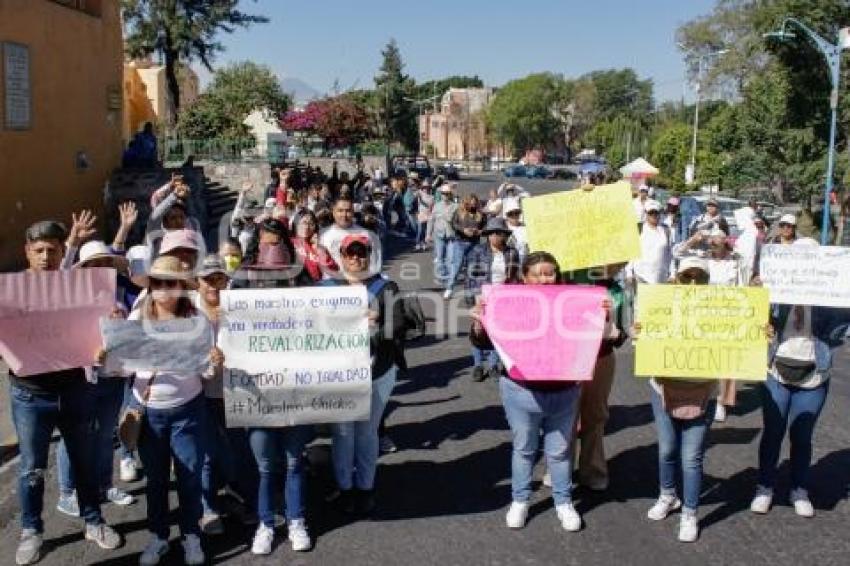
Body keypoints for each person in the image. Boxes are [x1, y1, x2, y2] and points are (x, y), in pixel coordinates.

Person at [9, 221, 122, 566]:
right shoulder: (9, 293)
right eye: (38, 250)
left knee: (84, 460)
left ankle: (93, 521)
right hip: (30, 394)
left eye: (52, 250)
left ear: (62, 252)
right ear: (27, 252)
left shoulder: (80, 287)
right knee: (31, 469)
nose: (45, 256)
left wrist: (109, 327)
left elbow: (102, 325)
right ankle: (32, 531)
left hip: (75, 388)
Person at [473, 252, 603, 532]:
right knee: (524, 448)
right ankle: (520, 500)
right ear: (524, 277)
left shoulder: (573, 303)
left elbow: (603, 340)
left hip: (564, 390)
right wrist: (480, 319)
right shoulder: (509, 303)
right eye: (538, 274)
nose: (545, 279)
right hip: (521, 391)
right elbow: (483, 341)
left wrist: (605, 314)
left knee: (559, 451)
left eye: (550, 273)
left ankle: (563, 501)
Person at [123, 255, 218, 565]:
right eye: (158, 282)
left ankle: (191, 534)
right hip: (148, 411)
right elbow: (120, 369)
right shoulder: (136, 319)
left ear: (181, 287)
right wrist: (105, 354)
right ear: (150, 287)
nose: (164, 289)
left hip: (187, 410)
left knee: (190, 477)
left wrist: (214, 363)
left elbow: (204, 372)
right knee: (156, 480)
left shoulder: (197, 321)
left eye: (172, 283)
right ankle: (159, 536)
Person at [750, 238, 850, 518]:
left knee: (802, 435)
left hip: (814, 375)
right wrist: (756, 292)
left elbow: (843, 326)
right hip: (776, 370)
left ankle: (799, 488)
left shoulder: (830, 299)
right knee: (773, 432)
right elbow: (750, 315)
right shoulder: (776, 293)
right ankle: (764, 487)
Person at [320, 235, 405, 515]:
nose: (356, 259)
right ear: (341, 256)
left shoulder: (386, 287)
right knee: (343, 433)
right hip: (339, 375)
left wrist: (376, 325)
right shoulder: (326, 287)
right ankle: (345, 487)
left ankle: (365, 487)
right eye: (350, 253)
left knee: (367, 432)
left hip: (376, 371)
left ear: (370, 255)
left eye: (362, 253)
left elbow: (397, 328)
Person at [636, 257, 718, 543]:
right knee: (667, 450)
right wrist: (640, 332)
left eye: (699, 277)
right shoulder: (661, 306)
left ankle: (690, 513)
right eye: (687, 277)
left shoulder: (722, 310)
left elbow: (740, 341)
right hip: (664, 389)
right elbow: (643, 340)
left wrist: (760, 335)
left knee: (691, 458)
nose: (693, 283)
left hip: (703, 391)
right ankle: (668, 495)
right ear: (677, 279)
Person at [55, 242, 137, 518]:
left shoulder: (122, 292)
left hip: (113, 377)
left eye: (105, 262)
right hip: (82, 379)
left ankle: (104, 485)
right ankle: (67, 493)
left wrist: (121, 320)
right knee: (74, 438)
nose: (100, 268)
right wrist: (71, 243)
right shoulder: (70, 297)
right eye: (94, 264)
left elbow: (135, 331)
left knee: (105, 435)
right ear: (85, 269)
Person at [194, 255, 259, 536]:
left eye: (219, 278)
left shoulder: (240, 307)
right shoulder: (188, 312)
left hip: (236, 392)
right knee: (206, 454)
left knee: (241, 452)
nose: (213, 285)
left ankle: (247, 500)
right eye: (207, 279)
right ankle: (208, 508)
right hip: (198, 395)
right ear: (197, 282)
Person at [674, 227, 748, 422]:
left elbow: (742, 286)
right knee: (706, 358)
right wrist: (693, 240)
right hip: (702, 315)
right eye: (711, 241)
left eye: (717, 240)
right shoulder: (702, 257)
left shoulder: (736, 262)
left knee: (725, 361)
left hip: (726, 316)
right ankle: (705, 397)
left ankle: (721, 402)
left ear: (725, 242)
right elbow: (677, 253)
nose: (713, 244)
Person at [567, 262, 628, 492]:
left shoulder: (616, 291)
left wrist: (615, 332)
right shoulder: (564, 283)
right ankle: (560, 470)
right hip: (567, 358)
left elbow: (621, 333)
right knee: (565, 417)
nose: (610, 268)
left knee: (595, 416)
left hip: (600, 358)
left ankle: (593, 471)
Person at [465, 217, 521, 381]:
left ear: (505, 235)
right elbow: (471, 277)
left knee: (498, 331)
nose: (496, 236)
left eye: (500, 233)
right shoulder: (477, 251)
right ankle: (477, 365)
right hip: (481, 295)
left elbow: (516, 277)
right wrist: (475, 299)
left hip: (503, 297)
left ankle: (494, 364)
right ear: (487, 235)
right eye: (492, 233)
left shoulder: (512, 252)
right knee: (478, 330)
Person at [319, 196, 383, 277]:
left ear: (353, 212)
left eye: (348, 211)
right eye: (340, 211)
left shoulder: (366, 235)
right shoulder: (323, 236)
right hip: (330, 284)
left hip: (358, 284)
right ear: (333, 212)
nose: (344, 215)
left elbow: (374, 266)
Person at [445, 194, 485, 300]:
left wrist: (479, 231)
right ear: (466, 203)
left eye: (475, 203)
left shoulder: (481, 214)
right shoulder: (459, 212)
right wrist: (463, 230)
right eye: (471, 203)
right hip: (460, 242)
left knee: (471, 268)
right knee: (457, 266)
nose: (473, 205)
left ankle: (470, 291)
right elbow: (454, 223)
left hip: (474, 243)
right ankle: (449, 288)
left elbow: (486, 228)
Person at [625, 200, 674, 287]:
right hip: (641, 276)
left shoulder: (666, 230)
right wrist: (629, 273)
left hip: (661, 277)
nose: (654, 215)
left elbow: (670, 254)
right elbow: (631, 252)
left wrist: (672, 273)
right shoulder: (639, 229)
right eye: (651, 213)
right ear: (646, 213)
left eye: (656, 213)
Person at [291, 210, 339, 284]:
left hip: (316, 288)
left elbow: (333, 270)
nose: (306, 227)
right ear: (296, 224)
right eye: (304, 223)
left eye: (311, 223)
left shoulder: (319, 247)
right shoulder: (289, 243)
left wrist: (318, 249)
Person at [426, 183, 458, 286]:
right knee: (440, 257)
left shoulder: (455, 206)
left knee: (450, 258)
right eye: (443, 193)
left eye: (447, 194)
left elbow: (457, 221)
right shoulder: (437, 205)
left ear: (450, 194)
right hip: (439, 234)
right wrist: (428, 234)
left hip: (451, 235)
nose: (444, 195)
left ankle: (449, 278)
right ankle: (441, 277)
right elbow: (431, 220)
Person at [415, 181, 435, 251]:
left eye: (427, 188)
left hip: (428, 214)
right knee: (420, 230)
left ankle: (424, 243)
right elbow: (415, 194)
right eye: (424, 188)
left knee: (425, 231)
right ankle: (417, 243)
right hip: (421, 214)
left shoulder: (432, 197)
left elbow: (432, 207)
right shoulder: (420, 193)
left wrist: (432, 213)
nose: (426, 189)